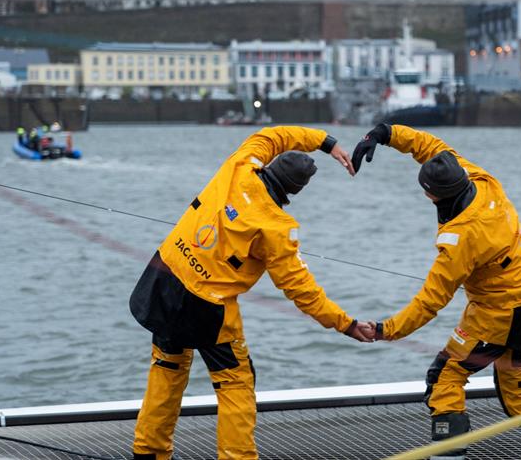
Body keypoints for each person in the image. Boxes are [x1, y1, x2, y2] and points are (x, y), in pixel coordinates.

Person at [129, 126, 374, 460]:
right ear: (294, 191)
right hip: (208, 308)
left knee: (166, 366)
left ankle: (148, 453)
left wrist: (325, 142)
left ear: (271, 165)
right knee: (235, 383)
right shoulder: (276, 229)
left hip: (164, 279)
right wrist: (345, 324)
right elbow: (302, 291)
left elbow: (275, 135)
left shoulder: (241, 164)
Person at [351, 124, 521, 460]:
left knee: (444, 380)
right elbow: (430, 146)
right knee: (517, 390)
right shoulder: (479, 178)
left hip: (498, 316)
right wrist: (385, 133)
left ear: (432, 196)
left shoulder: (461, 238)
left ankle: (449, 456)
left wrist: (384, 330)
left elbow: (430, 301)